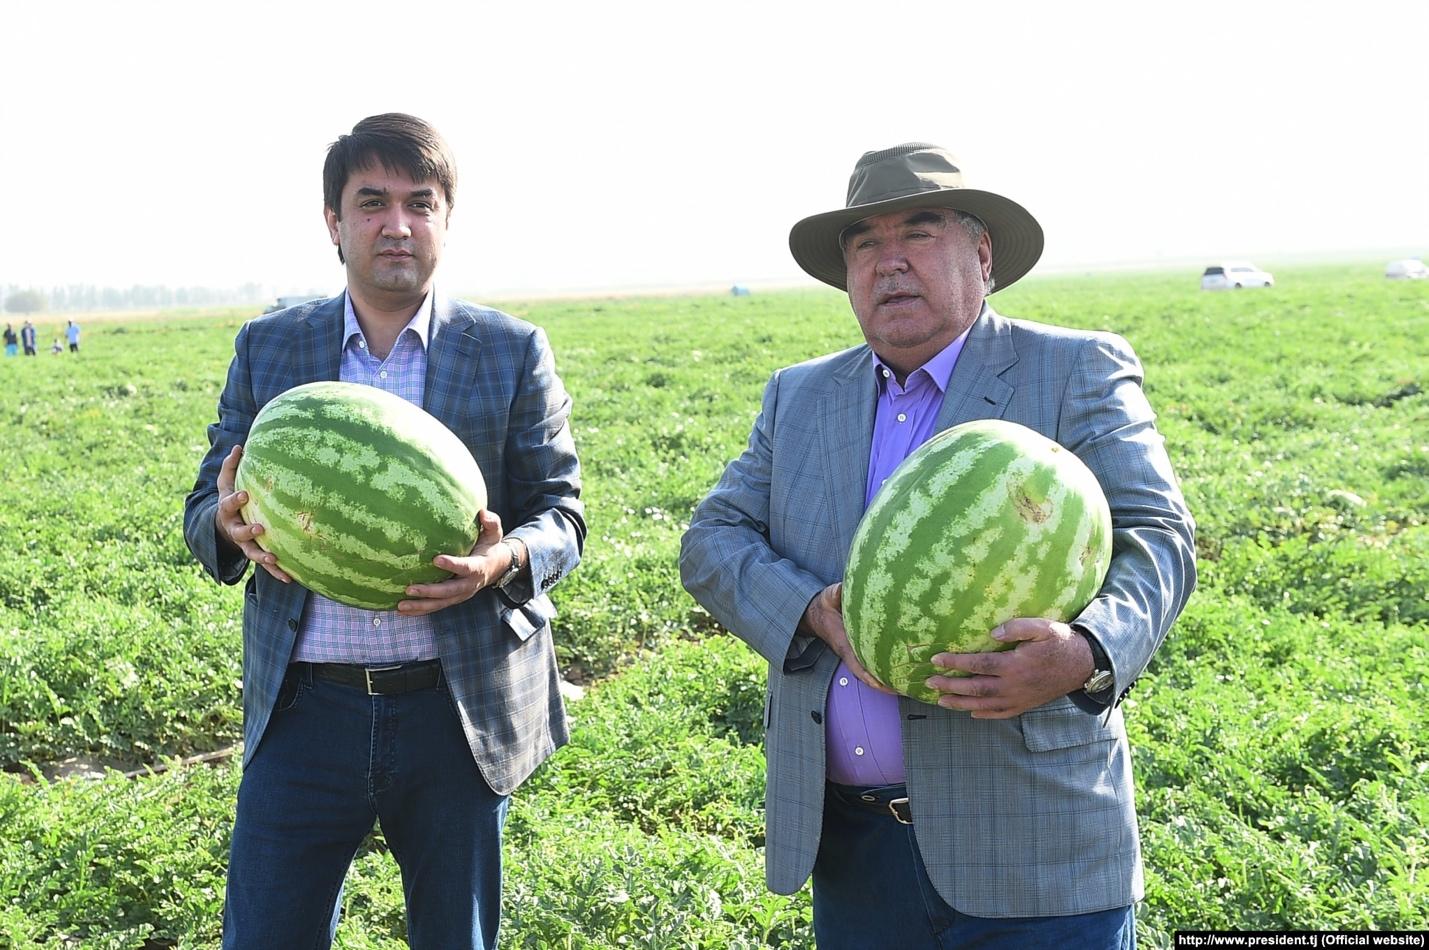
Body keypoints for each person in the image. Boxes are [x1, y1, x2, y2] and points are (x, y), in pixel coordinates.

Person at [680, 143, 1195, 949]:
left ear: (980, 255)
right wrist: (813, 610)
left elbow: (1157, 539)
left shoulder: (1072, 368)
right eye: (864, 244)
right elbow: (711, 541)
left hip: (1032, 853)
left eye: (917, 234)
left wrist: (1087, 650)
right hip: (852, 854)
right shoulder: (801, 394)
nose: (888, 264)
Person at [183, 113, 585, 950]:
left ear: (445, 219)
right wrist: (225, 524)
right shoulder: (271, 346)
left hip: (453, 712)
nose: (396, 224)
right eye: (371, 202)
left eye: (419, 202)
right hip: (304, 710)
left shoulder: (510, 350)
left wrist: (503, 558)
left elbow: (564, 515)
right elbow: (201, 509)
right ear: (334, 221)